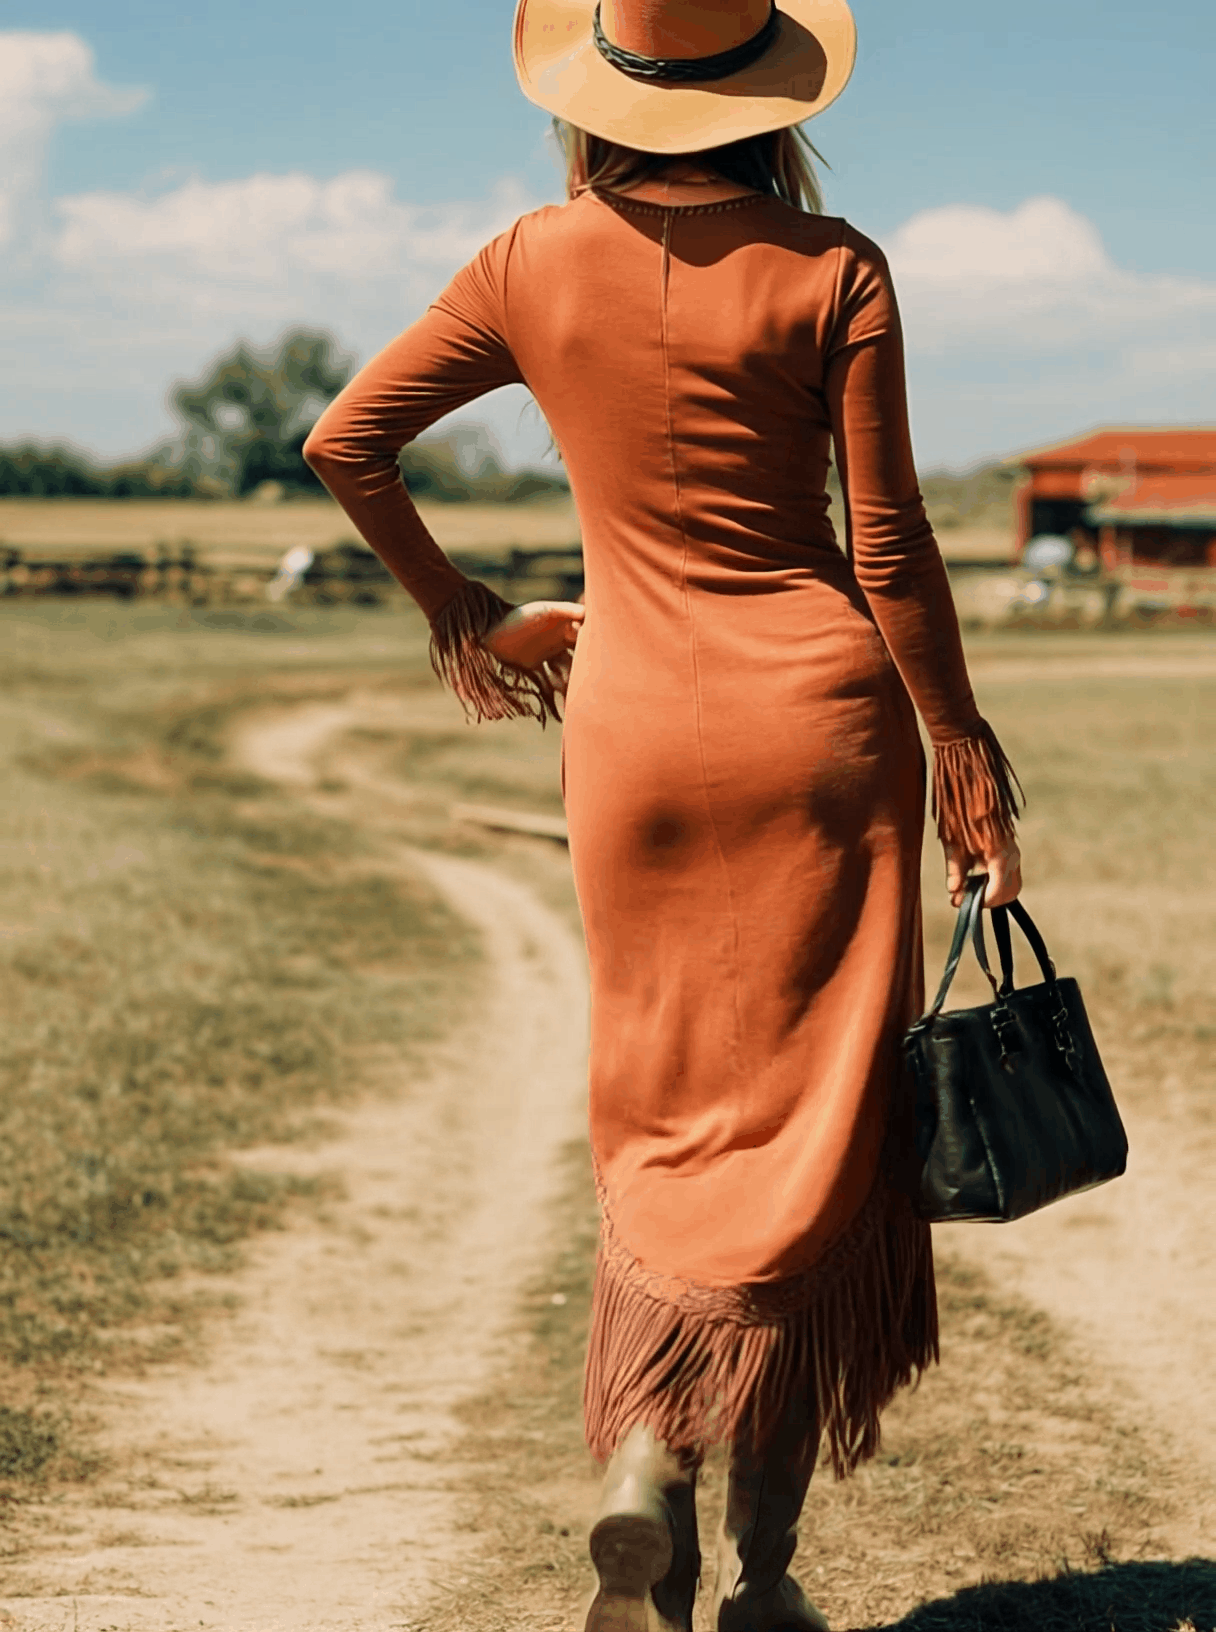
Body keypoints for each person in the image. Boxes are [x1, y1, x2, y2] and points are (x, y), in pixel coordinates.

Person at [303, 1, 1023, 1626]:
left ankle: (648, 1457)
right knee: (824, 1126)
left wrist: (476, 617)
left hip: (631, 735)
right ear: (767, 92)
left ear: (602, 90)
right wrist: (963, 753)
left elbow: (347, 443)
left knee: (663, 1105)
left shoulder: (527, 261)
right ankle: (765, 1579)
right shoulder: (837, 269)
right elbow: (891, 544)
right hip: (824, 733)